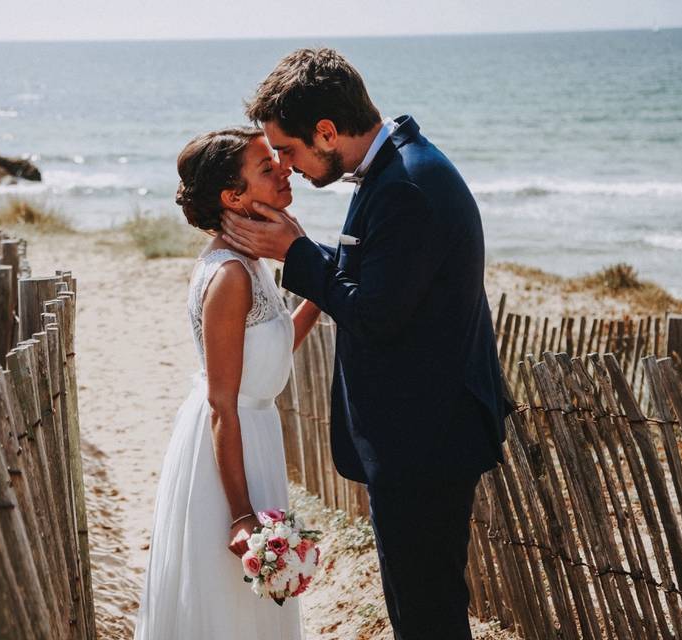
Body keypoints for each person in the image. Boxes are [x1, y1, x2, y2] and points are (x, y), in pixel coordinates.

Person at [220, 48, 513, 640]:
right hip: (419, 435)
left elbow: (374, 314)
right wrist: (305, 251)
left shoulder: (408, 186)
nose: (287, 165)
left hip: (426, 439)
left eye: (290, 149)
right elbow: (381, 283)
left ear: (327, 131)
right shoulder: (397, 170)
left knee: (426, 612)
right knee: (417, 604)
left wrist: (297, 254)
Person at [133, 127, 320, 639]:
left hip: (255, 432)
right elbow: (221, 402)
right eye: (266, 167)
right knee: (225, 602)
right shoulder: (231, 275)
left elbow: (274, 347)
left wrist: (323, 286)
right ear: (233, 197)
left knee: (250, 607)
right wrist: (240, 514)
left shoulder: (255, 261)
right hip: (227, 443)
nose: (283, 168)